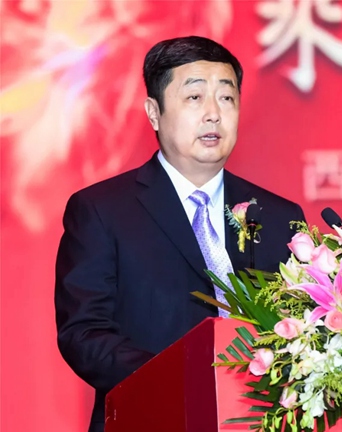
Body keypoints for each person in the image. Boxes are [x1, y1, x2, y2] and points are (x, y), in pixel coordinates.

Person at [54, 36, 305, 432]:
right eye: (194, 98)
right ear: (154, 113)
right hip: (149, 418)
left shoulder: (279, 217)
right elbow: (84, 333)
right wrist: (180, 379)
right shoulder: (102, 210)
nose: (213, 114)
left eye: (226, 98)